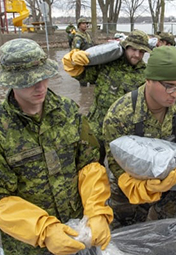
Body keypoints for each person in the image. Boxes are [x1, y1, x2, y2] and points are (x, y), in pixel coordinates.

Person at [0, 39, 113, 255]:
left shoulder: (68, 112)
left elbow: (89, 163)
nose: (40, 86)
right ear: (10, 81)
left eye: (43, 77)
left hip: (81, 224)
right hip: (31, 244)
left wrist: (97, 211)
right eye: (28, 80)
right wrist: (44, 231)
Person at [102, 46, 176, 229]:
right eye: (169, 86)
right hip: (134, 180)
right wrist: (139, 188)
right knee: (125, 231)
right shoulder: (120, 114)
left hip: (173, 176)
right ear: (148, 80)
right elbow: (115, 164)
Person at [63, 30, 151, 162]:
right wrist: (73, 63)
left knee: (122, 170)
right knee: (92, 166)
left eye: (142, 52)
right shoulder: (107, 64)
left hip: (124, 132)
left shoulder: (145, 74)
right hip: (97, 126)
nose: (137, 55)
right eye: (133, 49)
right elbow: (84, 76)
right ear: (125, 47)